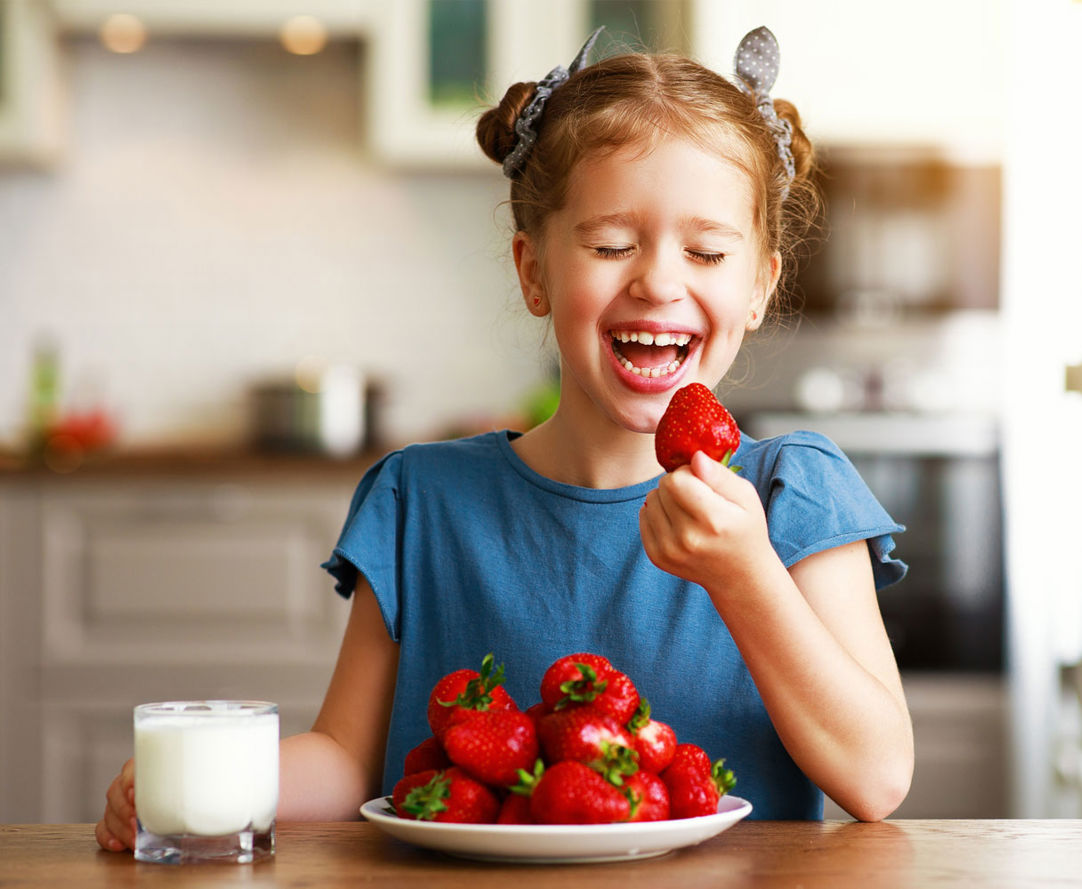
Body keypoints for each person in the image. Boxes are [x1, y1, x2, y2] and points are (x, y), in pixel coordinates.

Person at [96, 26, 911, 849]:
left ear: (760, 287)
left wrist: (746, 576)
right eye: (610, 245)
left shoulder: (793, 494)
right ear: (533, 271)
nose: (660, 279)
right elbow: (349, 758)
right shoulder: (421, 499)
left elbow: (876, 778)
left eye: (706, 251)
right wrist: (201, 781)